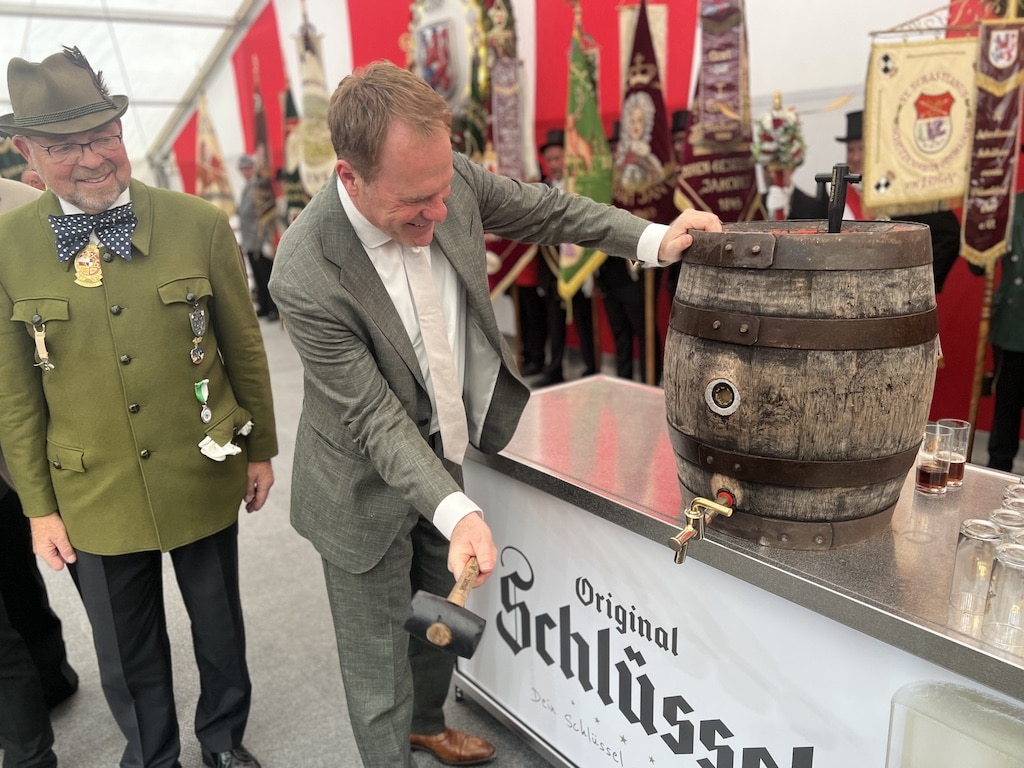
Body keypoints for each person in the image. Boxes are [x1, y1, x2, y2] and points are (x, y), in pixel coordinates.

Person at [268, 59, 721, 768]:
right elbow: (376, 419)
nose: (442, 213)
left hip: (443, 448)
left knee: (440, 615)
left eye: (446, 189)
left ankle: (427, 722)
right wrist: (460, 513)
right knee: (376, 653)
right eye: (416, 202)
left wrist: (653, 240)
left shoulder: (445, 180)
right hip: (359, 483)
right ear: (349, 177)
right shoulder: (303, 270)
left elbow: (548, 211)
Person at [0, 47, 278, 768]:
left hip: (202, 465)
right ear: (25, 151)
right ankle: (152, 756)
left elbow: (243, 349)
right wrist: (38, 506)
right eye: (63, 146)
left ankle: (223, 741)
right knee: (126, 652)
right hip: (91, 489)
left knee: (220, 629)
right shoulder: (6, 247)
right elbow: (15, 394)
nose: (91, 159)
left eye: (103, 136)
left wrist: (262, 448)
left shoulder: (199, 223)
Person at [0, 177, 77, 768]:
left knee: (22, 563)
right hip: (30, 431)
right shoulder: (25, 203)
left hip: (45, 435)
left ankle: (30, 744)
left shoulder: (31, 208)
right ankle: (47, 683)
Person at [836, 109, 961, 292]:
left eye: (862, 148)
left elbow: (948, 235)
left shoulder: (904, 188)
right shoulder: (837, 193)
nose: (855, 157)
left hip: (898, 298)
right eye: (851, 150)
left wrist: (920, 285)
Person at [536, 127, 598, 385]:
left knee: (584, 320)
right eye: (549, 160)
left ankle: (591, 367)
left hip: (577, 264)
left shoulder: (579, 187)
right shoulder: (544, 190)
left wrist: (588, 269)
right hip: (552, 268)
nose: (553, 164)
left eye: (557, 158)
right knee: (554, 322)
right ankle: (554, 370)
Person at [987, 189, 1024, 472]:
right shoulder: (1010, 207)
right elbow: (979, 263)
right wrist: (980, 227)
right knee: (1006, 410)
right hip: (1012, 325)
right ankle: (998, 478)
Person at [236, 154, 278, 321]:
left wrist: (267, 239)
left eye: (246, 168)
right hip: (249, 239)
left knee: (267, 274)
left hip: (260, 238)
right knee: (258, 275)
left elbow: (266, 213)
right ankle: (264, 306)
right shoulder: (247, 187)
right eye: (242, 169)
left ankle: (273, 308)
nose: (244, 172)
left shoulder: (260, 185)